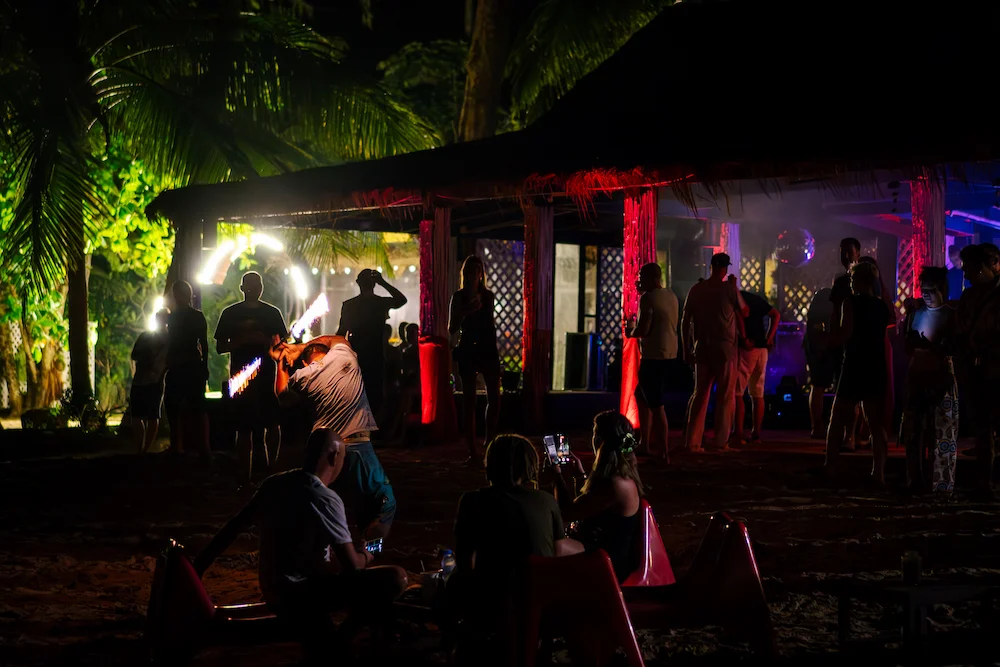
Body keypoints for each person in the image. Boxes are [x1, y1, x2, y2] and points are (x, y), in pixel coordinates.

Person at [194, 430, 407, 665]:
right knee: (394, 578)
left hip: (273, 589)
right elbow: (353, 567)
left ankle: (336, 642)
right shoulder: (325, 498)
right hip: (303, 595)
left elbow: (232, 528)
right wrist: (371, 551)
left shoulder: (273, 484)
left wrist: (198, 567)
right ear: (334, 456)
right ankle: (342, 641)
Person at [451, 435, 583, 628]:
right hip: (539, 600)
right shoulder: (546, 501)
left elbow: (464, 558)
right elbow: (557, 548)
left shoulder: (472, 501)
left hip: (493, 601)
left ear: (490, 465)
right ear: (531, 466)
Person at [271, 334, 396, 540]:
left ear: (305, 362)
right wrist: (300, 346)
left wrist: (282, 364)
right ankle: (369, 549)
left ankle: (326, 549)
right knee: (384, 502)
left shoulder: (304, 375)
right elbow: (335, 338)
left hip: (324, 453)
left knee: (328, 506)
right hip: (357, 446)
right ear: (328, 352)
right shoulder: (343, 356)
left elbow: (283, 396)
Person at [548, 412, 643, 582]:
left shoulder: (613, 484)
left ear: (600, 440)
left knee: (553, 546)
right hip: (599, 546)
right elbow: (588, 504)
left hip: (607, 558)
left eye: (594, 433)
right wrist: (580, 475)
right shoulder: (622, 476)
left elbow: (568, 512)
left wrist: (557, 477)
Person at [214, 272, 288, 480]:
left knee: (270, 422)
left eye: (257, 285)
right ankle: (246, 472)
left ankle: (271, 469)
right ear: (242, 288)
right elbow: (220, 347)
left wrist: (268, 343)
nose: (254, 289)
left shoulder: (271, 313)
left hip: (266, 377)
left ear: (261, 288)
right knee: (245, 425)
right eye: (251, 285)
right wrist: (242, 341)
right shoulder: (231, 313)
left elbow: (283, 346)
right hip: (242, 379)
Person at [825, 262, 891, 485]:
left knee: (837, 417)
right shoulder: (881, 306)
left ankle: (830, 467)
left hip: (854, 363)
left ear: (861, 281)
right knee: (876, 423)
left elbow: (845, 333)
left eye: (853, 280)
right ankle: (878, 473)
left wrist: (828, 338)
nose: (851, 284)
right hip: (875, 364)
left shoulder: (850, 303)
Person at [899, 267, 959, 494]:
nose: (926, 295)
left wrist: (933, 346)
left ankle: (939, 484)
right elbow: (906, 345)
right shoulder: (916, 313)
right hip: (917, 374)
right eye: (923, 290)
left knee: (940, 433)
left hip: (940, 376)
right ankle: (914, 481)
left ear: (942, 290)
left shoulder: (951, 315)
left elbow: (955, 346)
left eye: (931, 290)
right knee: (913, 432)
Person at [681, 253, 748, 452]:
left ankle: (692, 441)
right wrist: (734, 287)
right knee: (725, 396)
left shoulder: (697, 289)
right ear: (725, 268)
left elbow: (685, 320)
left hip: (702, 346)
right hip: (725, 348)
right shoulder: (728, 289)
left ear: (711, 266)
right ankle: (721, 441)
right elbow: (745, 311)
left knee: (700, 394)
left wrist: (686, 348)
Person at [955, 244, 1000, 498]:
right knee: (982, 430)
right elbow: (960, 329)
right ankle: (984, 482)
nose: (967, 274)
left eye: (972, 268)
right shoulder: (969, 297)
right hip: (976, 371)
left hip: (996, 368)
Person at [337, 269, 408, 423]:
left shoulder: (349, 305)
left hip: (356, 357)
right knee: (375, 398)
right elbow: (401, 300)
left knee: (356, 396)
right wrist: (383, 282)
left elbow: (341, 333)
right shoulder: (380, 303)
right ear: (374, 284)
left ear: (358, 283)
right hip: (376, 355)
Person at [449, 256, 501, 463]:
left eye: (477, 271)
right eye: (469, 271)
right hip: (468, 348)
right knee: (469, 400)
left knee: (494, 397)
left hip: (487, 348)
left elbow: (490, 323)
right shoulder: (458, 297)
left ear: (481, 274)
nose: (473, 275)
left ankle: (489, 441)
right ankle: (472, 450)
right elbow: (451, 328)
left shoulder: (488, 296)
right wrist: (465, 312)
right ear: (465, 274)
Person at [625, 262, 679, 459]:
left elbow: (644, 329)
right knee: (642, 396)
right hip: (669, 354)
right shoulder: (670, 296)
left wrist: (630, 331)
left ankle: (663, 452)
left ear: (649, 278)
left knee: (656, 404)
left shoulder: (648, 298)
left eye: (641, 277)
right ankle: (645, 443)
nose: (639, 282)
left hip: (653, 356)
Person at [164, 281, 210, 457]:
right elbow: (203, 344)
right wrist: (204, 365)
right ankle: (200, 447)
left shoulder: (174, 317)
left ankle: (181, 445)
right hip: (189, 364)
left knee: (177, 405)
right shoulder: (194, 316)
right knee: (195, 407)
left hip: (182, 364)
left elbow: (202, 343)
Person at [732, 290, 780, 447]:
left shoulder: (736, 300)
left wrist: (744, 338)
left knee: (737, 392)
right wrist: (769, 338)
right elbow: (776, 314)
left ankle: (738, 433)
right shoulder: (755, 299)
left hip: (747, 349)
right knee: (758, 393)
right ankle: (756, 433)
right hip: (762, 350)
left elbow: (739, 317)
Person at [828, 238, 862, 449]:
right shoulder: (840, 282)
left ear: (858, 253)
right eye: (842, 252)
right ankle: (849, 436)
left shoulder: (866, 280)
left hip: (858, 341)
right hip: (843, 341)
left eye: (849, 252)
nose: (846, 256)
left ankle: (853, 436)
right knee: (845, 392)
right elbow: (834, 313)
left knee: (853, 392)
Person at [130, 309, 169, 454]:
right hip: (141, 380)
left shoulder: (168, 340)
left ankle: (144, 449)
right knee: (137, 416)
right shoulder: (146, 336)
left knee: (152, 416)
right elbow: (134, 354)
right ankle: (140, 448)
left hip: (155, 381)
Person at [804, 287, 835, 438]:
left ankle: (817, 427)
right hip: (822, 345)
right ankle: (818, 427)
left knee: (817, 386)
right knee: (819, 385)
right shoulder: (829, 298)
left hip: (818, 344)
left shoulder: (823, 296)